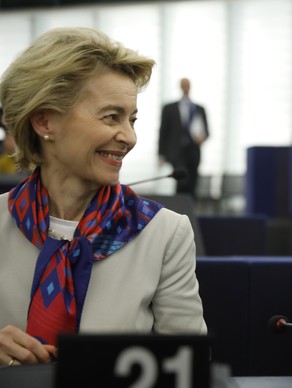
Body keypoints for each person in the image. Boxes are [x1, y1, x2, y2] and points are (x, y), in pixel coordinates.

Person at [0, 27, 207, 366]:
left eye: (132, 119)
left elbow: (190, 367)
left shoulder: (165, 233)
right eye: (112, 117)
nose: (129, 137)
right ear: (44, 122)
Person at [158, 78, 209, 198]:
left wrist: (202, 137)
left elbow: (207, 131)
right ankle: (180, 210)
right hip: (176, 152)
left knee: (193, 183)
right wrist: (161, 154)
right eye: (183, 85)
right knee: (181, 182)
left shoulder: (199, 109)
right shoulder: (169, 108)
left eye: (188, 85)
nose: (186, 88)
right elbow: (163, 132)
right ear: (180, 87)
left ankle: (191, 211)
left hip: (194, 151)